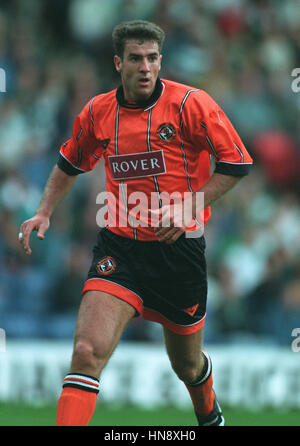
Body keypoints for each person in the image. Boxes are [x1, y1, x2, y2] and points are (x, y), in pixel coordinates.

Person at [18, 20, 253, 426]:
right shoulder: (98, 112)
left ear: (160, 61)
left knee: (187, 365)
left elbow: (236, 163)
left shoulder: (191, 104)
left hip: (179, 254)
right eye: (135, 58)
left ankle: (209, 415)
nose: (145, 67)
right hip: (120, 248)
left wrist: (189, 207)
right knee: (87, 352)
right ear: (118, 63)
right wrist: (44, 210)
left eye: (152, 58)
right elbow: (69, 162)